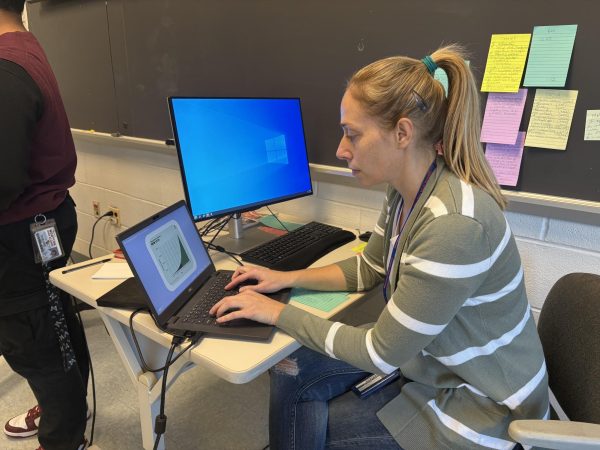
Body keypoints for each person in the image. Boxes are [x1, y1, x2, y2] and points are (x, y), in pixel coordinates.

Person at [210, 45, 549, 449]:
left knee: (322, 429)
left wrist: (277, 312)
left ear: (402, 133)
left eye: (352, 133)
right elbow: (369, 269)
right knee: (289, 368)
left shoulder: (454, 226)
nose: (340, 148)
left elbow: (379, 352)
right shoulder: (406, 190)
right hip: (430, 365)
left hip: (482, 406)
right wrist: (283, 278)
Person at [0, 1, 89, 449]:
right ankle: (60, 413)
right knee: (55, 328)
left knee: (38, 341)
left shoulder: (6, 68)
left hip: (21, 236)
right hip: (38, 224)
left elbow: (3, 180)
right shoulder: (22, 46)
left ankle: (62, 435)